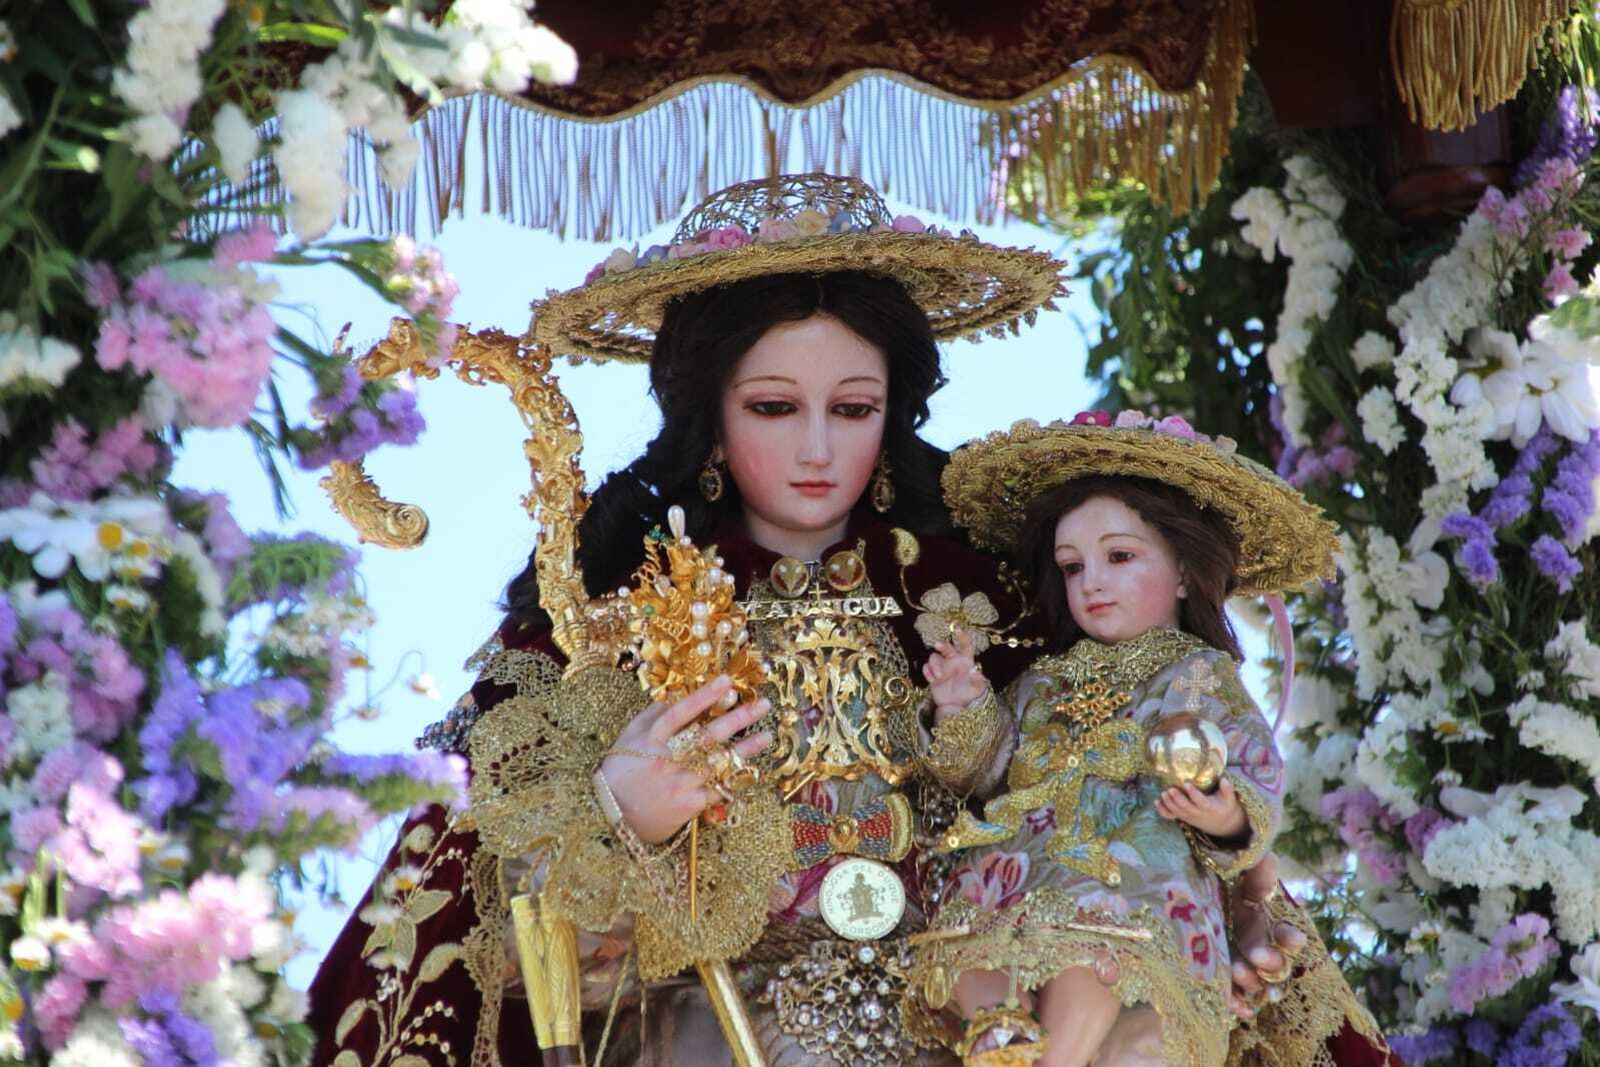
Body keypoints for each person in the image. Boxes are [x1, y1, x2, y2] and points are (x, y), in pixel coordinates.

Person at [305, 177, 1390, 1067]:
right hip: (709, 1035)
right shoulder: (613, 617)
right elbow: (490, 928)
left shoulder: (998, 602)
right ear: (710, 418)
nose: (818, 449)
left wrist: (1250, 895)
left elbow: (1137, 793)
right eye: (775, 407)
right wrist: (619, 813)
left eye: (854, 408)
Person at [909, 412, 1390, 1067]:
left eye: (1120, 557)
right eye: (1072, 567)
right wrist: (964, 705)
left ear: (1185, 570)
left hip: (1135, 877)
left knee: (1094, 950)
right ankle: (1000, 1031)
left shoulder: (1197, 674)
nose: (1092, 582)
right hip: (1018, 870)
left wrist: (1222, 812)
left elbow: (1249, 761)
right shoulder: (1043, 680)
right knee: (961, 939)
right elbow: (988, 768)